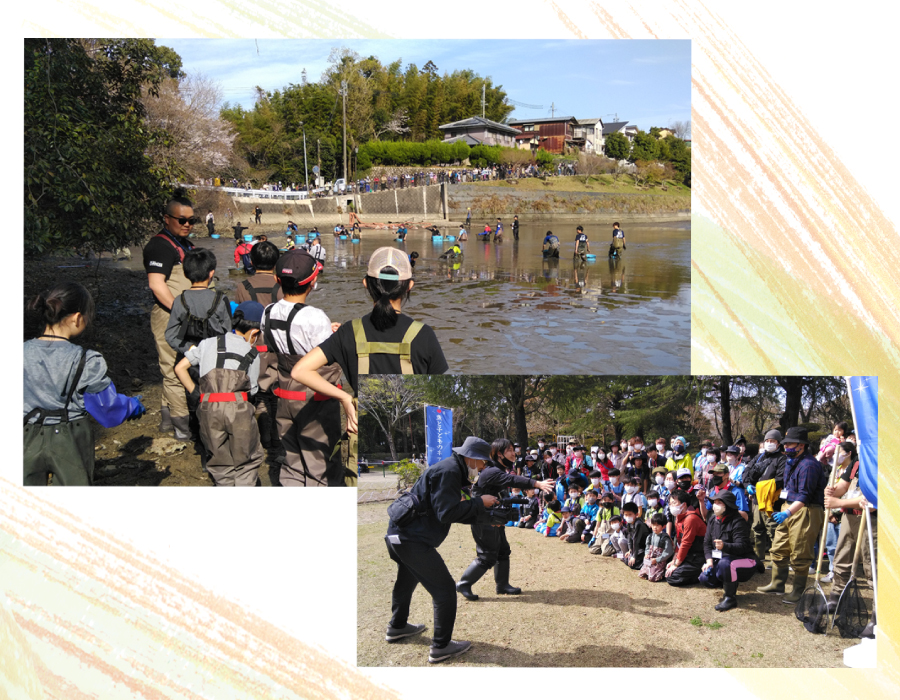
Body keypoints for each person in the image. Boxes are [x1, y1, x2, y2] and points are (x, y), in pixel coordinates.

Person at [383, 436, 499, 664]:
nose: (484, 467)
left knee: (406, 580)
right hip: (411, 540)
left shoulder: (451, 469)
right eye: (483, 462)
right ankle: (441, 646)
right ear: (472, 458)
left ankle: (397, 627)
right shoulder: (449, 472)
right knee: (445, 590)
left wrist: (484, 517)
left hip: (397, 535)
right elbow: (446, 513)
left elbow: (447, 511)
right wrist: (479, 503)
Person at [24, 282, 146, 486]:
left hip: (25, 434)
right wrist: (131, 406)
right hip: (70, 438)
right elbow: (107, 407)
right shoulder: (86, 360)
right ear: (77, 318)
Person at [291, 247, 448, 397]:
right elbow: (438, 391)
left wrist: (344, 398)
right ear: (409, 286)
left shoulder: (349, 331)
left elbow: (300, 371)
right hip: (407, 421)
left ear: (366, 283)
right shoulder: (424, 334)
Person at [260, 250, 344, 487]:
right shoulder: (315, 317)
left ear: (278, 280)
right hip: (313, 398)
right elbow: (325, 358)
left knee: (293, 461)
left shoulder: (268, 312)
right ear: (313, 281)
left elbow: (280, 344)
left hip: (285, 394)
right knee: (321, 463)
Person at [174, 301, 264, 487]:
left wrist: (197, 394)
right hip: (238, 409)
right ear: (254, 333)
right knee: (246, 461)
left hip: (208, 408)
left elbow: (180, 368)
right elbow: (253, 389)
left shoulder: (207, 343)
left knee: (219, 461)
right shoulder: (252, 353)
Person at [457, 438, 554, 599]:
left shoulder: (499, 470)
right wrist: (536, 483)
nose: (513, 453)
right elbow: (513, 480)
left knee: (503, 551)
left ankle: (502, 585)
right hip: (483, 518)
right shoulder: (491, 471)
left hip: (494, 517)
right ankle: (464, 584)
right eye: (509, 450)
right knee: (487, 555)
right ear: (499, 454)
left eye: (513, 449)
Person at [143, 196, 198, 438]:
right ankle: (181, 427)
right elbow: (157, 285)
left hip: (185, 314)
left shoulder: (186, 244)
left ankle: (167, 417)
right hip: (169, 315)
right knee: (173, 369)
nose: (187, 224)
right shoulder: (159, 247)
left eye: (192, 220)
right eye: (182, 220)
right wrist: (183, 312)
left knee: (179, 365)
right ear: (167, 219)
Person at [756, 427, 826, 603]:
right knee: (779, 547)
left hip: (806, 510)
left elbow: (805, 495)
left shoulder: (808, 465)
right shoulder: (790, 460)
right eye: (785, 444)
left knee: (800, 552)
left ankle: (798, 591)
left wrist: (788, 512)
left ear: (801, 445)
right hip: (789, 507)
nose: (786, 447)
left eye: (790, 444)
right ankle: (777, 583)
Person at [824, 441, 876, 610]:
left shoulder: (881, 460)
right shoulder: (858, 461)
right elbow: (844, 484)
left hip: (871, 520)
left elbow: (873, 501)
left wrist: (837, 501)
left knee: (872, 565)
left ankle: (878, 613)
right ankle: (836, 598)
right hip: (849, 517)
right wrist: (832, 491)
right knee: (841, 558)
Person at [699, 490, 762, 611]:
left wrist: (725, 546)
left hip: (745, 559)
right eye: (715, 502)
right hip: (723, 559)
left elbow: (743, 546)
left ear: (727, 505)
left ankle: (730, 597)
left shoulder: (737, 521)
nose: (715, 505)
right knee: (705, 578)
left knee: (725, 564)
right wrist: (709, 560)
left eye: (719, 502)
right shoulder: (713, 520)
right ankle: (729, 582)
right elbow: (706, 543)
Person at [743, 429, 788, 564]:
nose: (769, 444)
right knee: (757, 529)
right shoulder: (759, 457)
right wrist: (747, 485)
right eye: (767, 441)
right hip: (756, 500)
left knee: (773, 530)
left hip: (772, 501)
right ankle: (759, 557)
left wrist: (758, 486)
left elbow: (779, 479)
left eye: (772, 441)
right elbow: (746, 471)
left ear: (778, 443)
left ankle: (776, 559)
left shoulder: (782, 459)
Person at [666, 489, 708, 586]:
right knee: (667, 567)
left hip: (699, 556)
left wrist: (676, 564)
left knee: (672, 577)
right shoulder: (679, 517)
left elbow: (685, 543)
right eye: (670, 503)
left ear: (684, 504)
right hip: (690, 554)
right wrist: (674, 560)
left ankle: (700, 574)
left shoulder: (690, 519)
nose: (671, 506)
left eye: (674, 503)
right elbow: (679, 542)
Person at [639, 513, 675, 582]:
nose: (655, 527)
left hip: (660, 562)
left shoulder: (665, 538)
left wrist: (657, 560)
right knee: (642, 574)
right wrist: (646, 554)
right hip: (650, 560)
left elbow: (669, 552)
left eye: (657, 525)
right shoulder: (650, 536)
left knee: (652, 578)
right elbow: (647, 547)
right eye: (653, 525)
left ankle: (661, 573)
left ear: (664, 526)